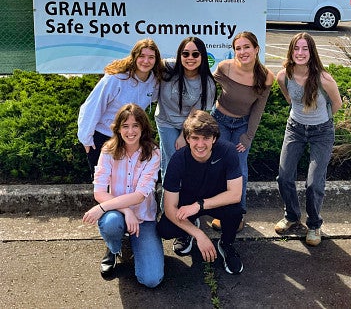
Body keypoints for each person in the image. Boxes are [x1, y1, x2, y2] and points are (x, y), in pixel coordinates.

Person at [82, 103, 164, 288]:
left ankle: (136, 243)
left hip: (144, 217)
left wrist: (102, 207)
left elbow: (141, 195)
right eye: (125, 126)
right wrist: (126, 211)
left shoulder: (153, 153)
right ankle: (114, 247)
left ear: (143, 128)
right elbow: (100, 191)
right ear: (118, 129)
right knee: (111, 223)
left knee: (151, 280)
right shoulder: (108, 151)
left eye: (135, 125)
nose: (130, 131)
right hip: (116, 215)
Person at [275, 32, 342, 246]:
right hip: (294, 128)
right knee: (284, 177)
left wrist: (319, 120)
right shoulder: (283, 75)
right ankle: (292, 217)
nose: (300, 53)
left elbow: (337, 104)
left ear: (312, 52)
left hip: (321, 132)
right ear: (291, 51)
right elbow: (289, 98)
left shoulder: (324, 79)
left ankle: (314, 225)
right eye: (296, 48)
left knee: (313, 183)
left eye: (305, 48)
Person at [157, 110, 244, 275]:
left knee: (235, 210)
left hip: (214, 200)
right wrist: (199, 235)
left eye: (206, 138)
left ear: (214, 138)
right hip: (187, 204)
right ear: (187, 139)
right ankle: (187, 232)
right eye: (195, 138)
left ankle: (226, 244)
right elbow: (169, 208)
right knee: (165, 229)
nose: (200, 144)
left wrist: (199, 205)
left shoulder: (228, 151)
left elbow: (235, 194)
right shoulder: (177, 160)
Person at [210, 31, 274, 231]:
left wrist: (248, 137)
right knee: (218, 167)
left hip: (242, 125)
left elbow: (258, 110)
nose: (242, 51)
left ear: (256, 49)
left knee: (239, 168)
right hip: (218, 121)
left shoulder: (266, 77)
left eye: (247, 47)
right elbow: (207, 89)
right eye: (238, 48)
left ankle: (237, 213)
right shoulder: (224, 68)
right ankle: (220, 211)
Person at [78, 38, 163, 176]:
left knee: (126, 186)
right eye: (141, 56)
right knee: (105, 186)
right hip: (104, 138)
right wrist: (86, 139)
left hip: (130, 139)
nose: (146, 61)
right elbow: (91, 107)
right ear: (134, 56)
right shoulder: (115, 79)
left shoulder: (154, 81)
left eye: (151, 57)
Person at [155, 36, 216, 181]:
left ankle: (184, 198)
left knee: (185, 161)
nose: (190, 58)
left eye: (195, 54)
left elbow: (196, 114)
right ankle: (168, 200)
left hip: (189, 124)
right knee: (173, 159)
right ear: (179, 55)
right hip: (166, 122)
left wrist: (184, 135)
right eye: (185, 54)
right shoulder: (167, 68)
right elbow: (145, 63)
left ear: (202, 56)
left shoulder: (207, 83)